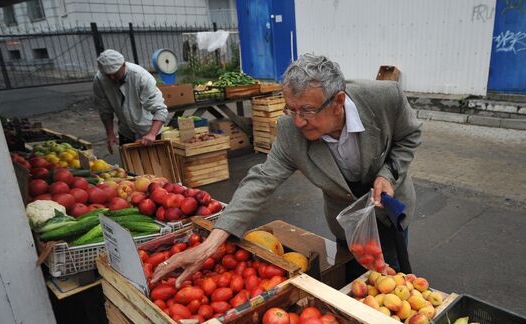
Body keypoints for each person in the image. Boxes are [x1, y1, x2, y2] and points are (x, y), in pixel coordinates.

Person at [152, 54, 422, 287]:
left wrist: (387, 173)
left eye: (306, 110)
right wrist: (209, 245)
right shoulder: (292, 132)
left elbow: (408, 136)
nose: (298, 121)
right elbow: (260, 180)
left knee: (394, 274)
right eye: (290, 109)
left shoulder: (385, 98)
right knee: (352, 276)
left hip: (387, 206)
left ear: (338, 101)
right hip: (346, 221)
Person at [93, 49, 169, 154]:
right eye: (107, 74)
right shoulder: (99, 80)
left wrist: (152, 134)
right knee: (129, 168)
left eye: (114, 73)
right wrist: (110, 134)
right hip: (125, 131)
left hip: (148, 130)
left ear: (123, 65)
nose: (111, 77)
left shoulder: (141, 77)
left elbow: (160, 109)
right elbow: (105, 110)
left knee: (154, 167)